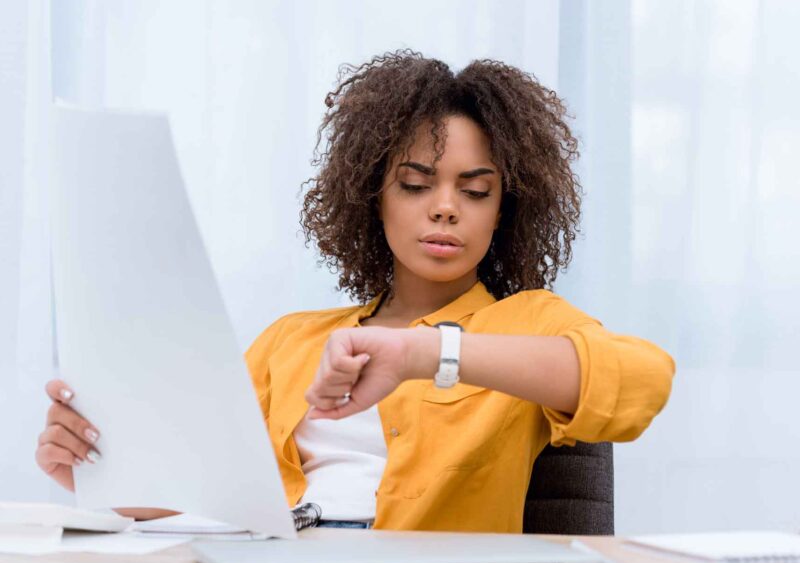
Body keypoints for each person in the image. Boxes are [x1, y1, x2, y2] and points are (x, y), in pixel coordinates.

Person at [35, 50, 675, 532]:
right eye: (416, 184)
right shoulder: (293, 340)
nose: (446, 209)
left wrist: (425, 355)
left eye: (475, 190)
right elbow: (215, 492)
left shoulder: (531, 323)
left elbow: (644, 382)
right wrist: (95, 473)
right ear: (372, 197)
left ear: (504, 210)